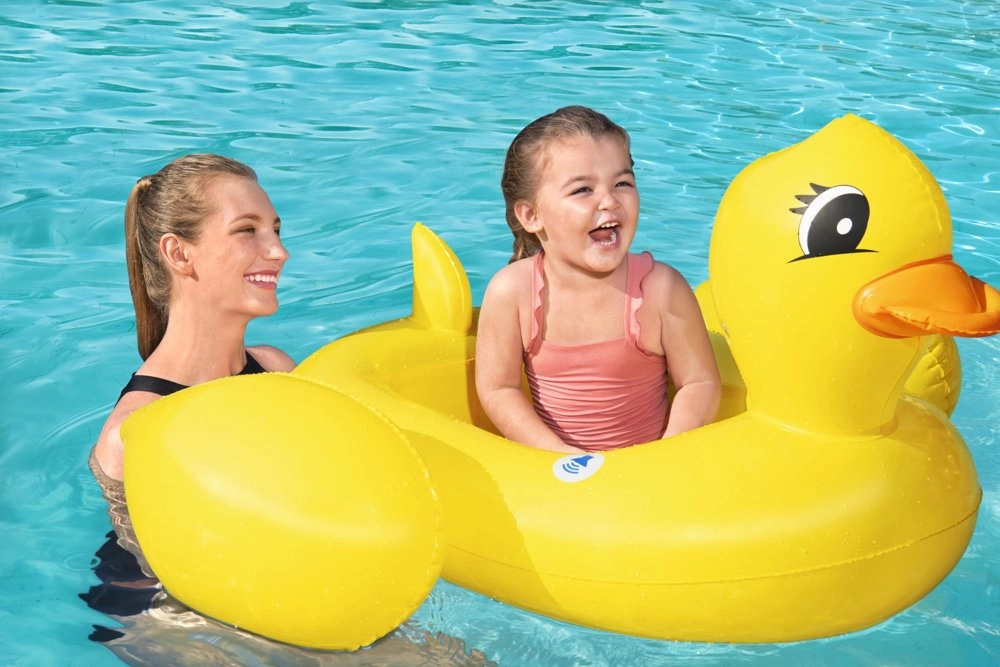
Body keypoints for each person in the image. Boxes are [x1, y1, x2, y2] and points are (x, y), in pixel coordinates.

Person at [89, 153, 295, 578]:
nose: (279, 251)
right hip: (159, 610)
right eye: (247, 230)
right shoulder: (133, 433)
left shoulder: (276, 369)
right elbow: (149, 578)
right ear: (179, 253)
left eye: (275, 230)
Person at [475, 106, 721, 453]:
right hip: (554, 468)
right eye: (582, 190)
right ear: (531, 215)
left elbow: (699, 382)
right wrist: (563, 458)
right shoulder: (512, 293)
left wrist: (665, 456)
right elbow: (499, 389)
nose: (609, 201)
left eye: (622, 183)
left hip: (649, 469)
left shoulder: (660, 289)